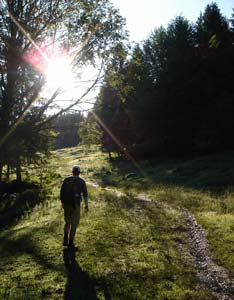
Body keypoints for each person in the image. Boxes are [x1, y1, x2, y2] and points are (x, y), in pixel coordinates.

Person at [60, 165, 88, 248]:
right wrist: (86, 205)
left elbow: (61, 192)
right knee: (74, 224)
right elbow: (85, 195)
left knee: (67, 222)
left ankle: (65, 238)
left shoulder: (66, 180)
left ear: (72, 172)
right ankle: (71, 243)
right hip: (75, 204)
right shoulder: (81, 182)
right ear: (79, 173)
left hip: (66, 204)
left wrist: (63, 204)